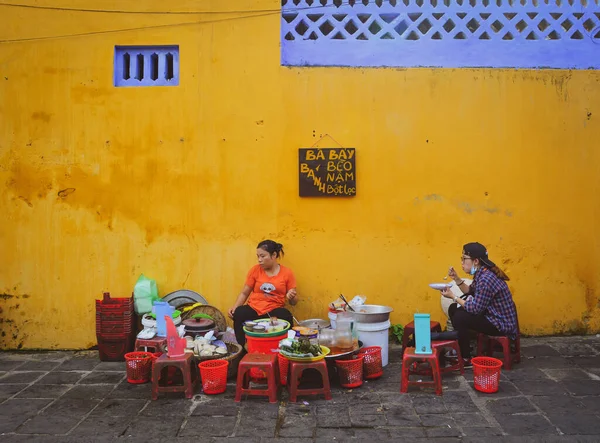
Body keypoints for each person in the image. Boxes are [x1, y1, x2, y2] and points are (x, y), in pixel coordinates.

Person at [441, 242, 517, 367]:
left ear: (475, 261)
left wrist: (453, 296)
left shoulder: (486, 279)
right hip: (491, 315)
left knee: (460, 317)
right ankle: (463, 347)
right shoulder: (482, 273)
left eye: (464, 259)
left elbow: (475, 308)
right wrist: (456, 278)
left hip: (500, 323)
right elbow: (469, 291)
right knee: (454, 309)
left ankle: (465, 357)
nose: (462, 262)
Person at [228, 240, 298, 346]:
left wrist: (291, 297)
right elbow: (244, 293)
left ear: (274, 255)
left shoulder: (287, 273)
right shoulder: (255, 270)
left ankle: (285, 347)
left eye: (262, 256)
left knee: (286, 315)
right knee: (239, 313)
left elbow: (294, 302)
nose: (259, 260)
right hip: (254, 309)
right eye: (258, 257)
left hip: (273, 311)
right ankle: (243, 348)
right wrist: (235, 307)